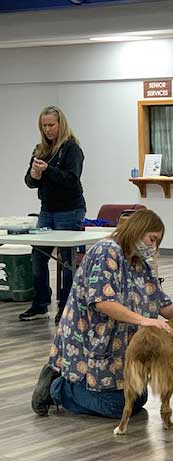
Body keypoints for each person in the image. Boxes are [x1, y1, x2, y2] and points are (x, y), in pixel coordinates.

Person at [31, 209, 173, 419]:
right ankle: (58, 386)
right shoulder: (106, 251)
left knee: (139, 399)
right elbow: (102, 302)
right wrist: (146, 321)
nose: (153, 246)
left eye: (157, 242)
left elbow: (163, 306)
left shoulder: (139, 264)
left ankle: (72, 385)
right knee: (116, 407)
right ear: (138, 230)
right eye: (152, 239)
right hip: (91, 342)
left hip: (120, 346)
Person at [20, 105, 86, 325]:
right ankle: (40, 304)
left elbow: (71, 179)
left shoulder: (71, 149)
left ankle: (66, 307)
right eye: (44, 125)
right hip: (46, 211)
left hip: (70, 210)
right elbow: (30, 183)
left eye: (51, 125)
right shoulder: (40, 149)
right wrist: (34, 173)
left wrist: (48, 170)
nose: (47, 129)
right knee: (38, 256)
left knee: (67, 261)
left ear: (60, 124)